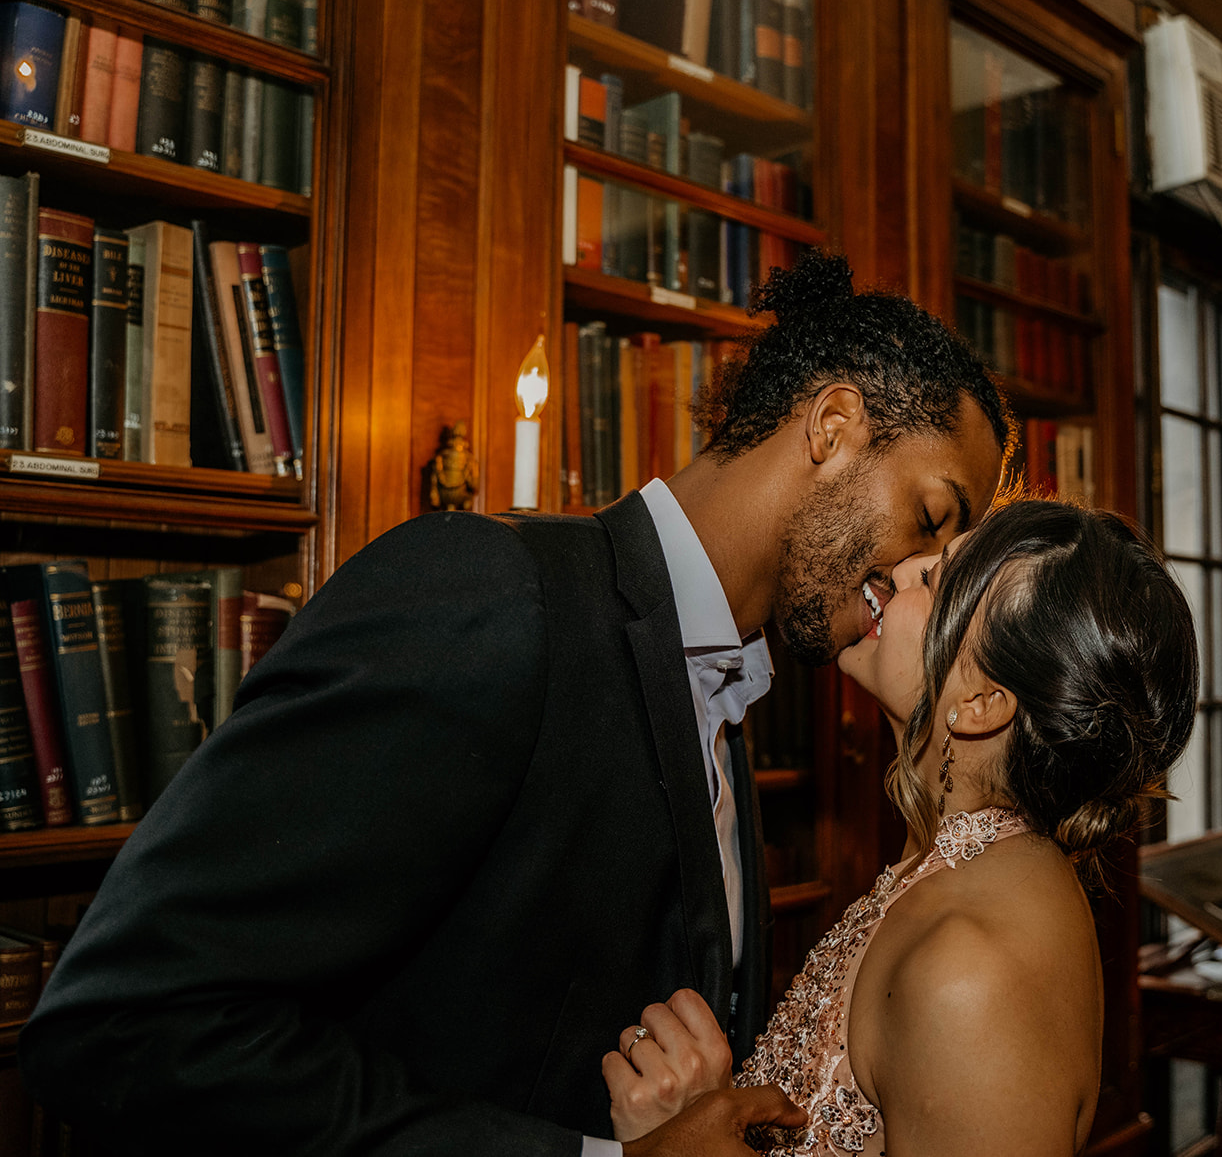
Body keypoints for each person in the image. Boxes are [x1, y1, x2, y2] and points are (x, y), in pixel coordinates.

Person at [19, 253, 1010, 1157]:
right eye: (930, 518)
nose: (924, 575)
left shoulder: (723, 688)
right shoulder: (492, 594)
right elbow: (126, 1021)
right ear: (832, 427)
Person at [603, 499, 1199, 1156]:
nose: (904, 564)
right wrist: (711, 1115)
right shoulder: (959, 864)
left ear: (981, 703)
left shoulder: (971, 971)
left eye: (934, 582)